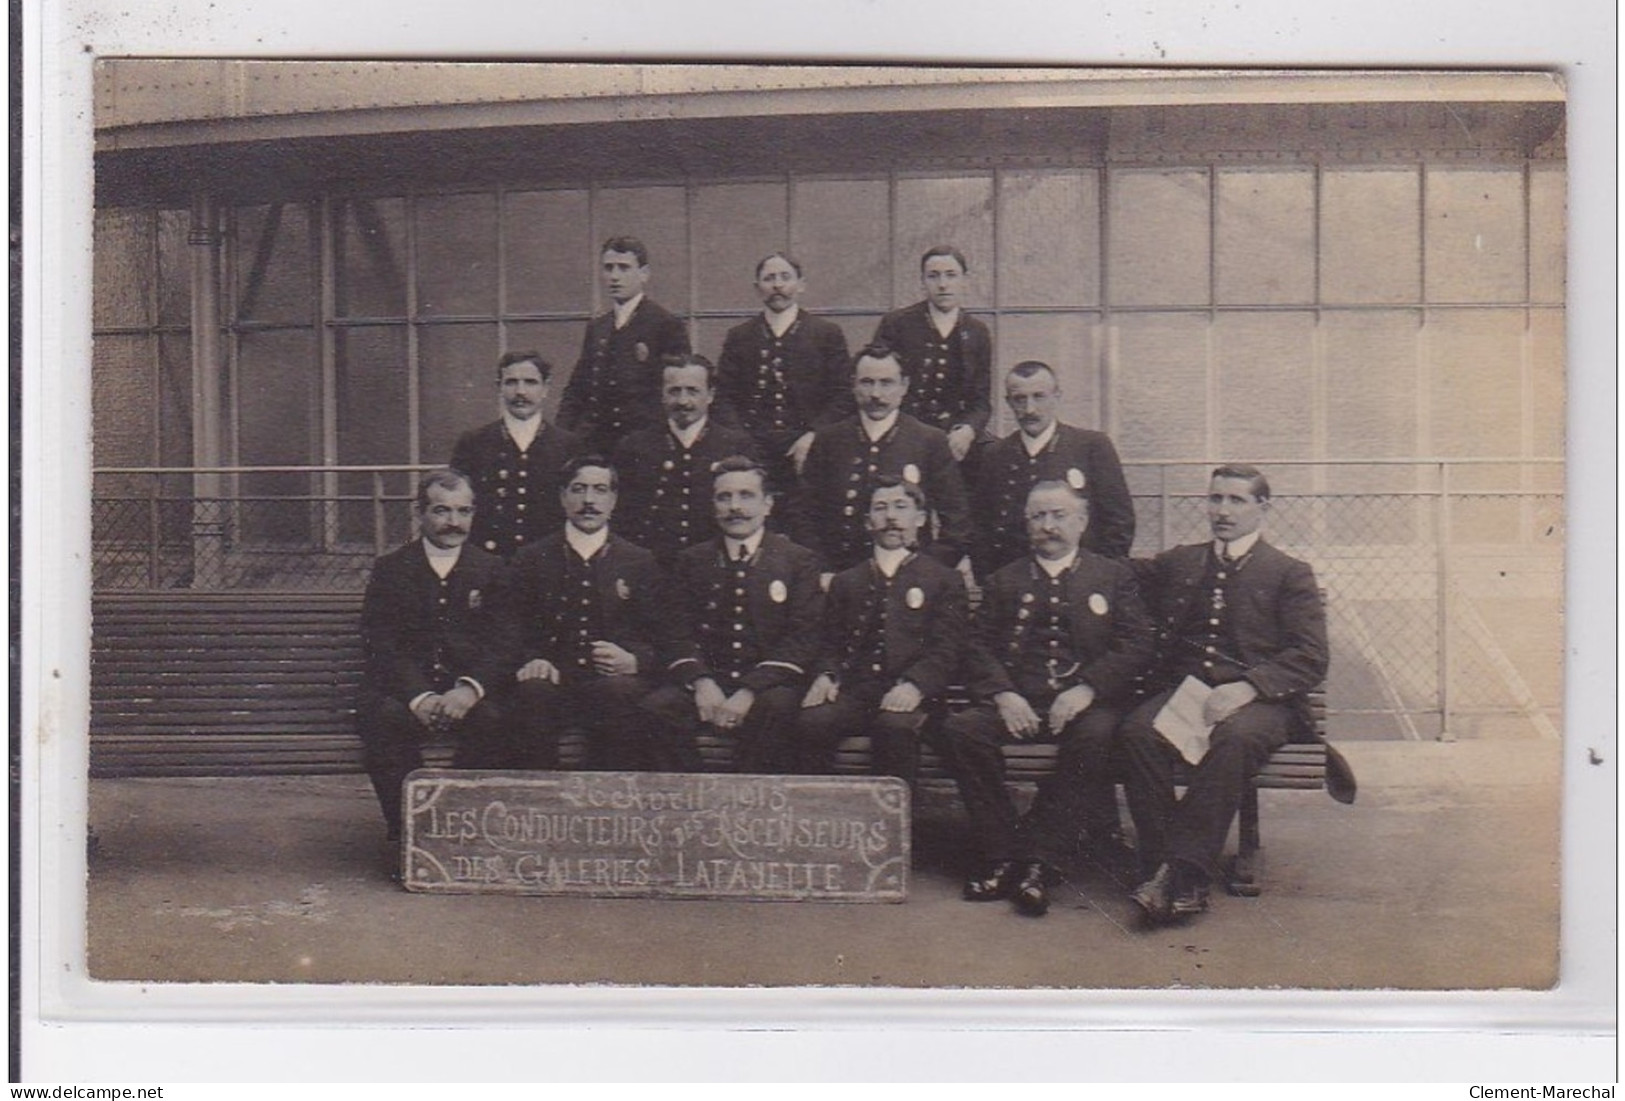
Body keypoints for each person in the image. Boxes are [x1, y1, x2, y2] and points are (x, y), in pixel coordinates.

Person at [1119, 464, 1329, 925]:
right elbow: (1119, 576)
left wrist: (1249, 686)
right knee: (1137, 732)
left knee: (1232, 740)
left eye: (1236, 500)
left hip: (1262, 703)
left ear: (1262, 508)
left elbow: (1311, 656)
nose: (1223, 511)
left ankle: (1182, 874)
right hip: (1188, 694)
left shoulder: (1289, 574)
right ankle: (1166, 867)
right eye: (1215, 499)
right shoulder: (1182, 561)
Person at [933, 481, 1155, 917]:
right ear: (1027, 523)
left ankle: (1039, 861)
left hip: (1085, 704)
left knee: (1096, 736)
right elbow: (975, 646)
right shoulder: (1004, 580)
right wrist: (1003, 694)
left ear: (1082, 522)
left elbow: (1137, 643)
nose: (1048, 526)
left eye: (1058, 516)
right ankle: (1000, 853)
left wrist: (1088, 687)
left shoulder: (1111, 577)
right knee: (961, 730)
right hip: (1021, 702)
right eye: (1039, 517)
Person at [355, 469, 518, 838]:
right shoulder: (392, 569)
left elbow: (505, 640)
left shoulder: (492, 569)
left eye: (463, 512)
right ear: (420, 513)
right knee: (385, 720)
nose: (453, 522)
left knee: (494, 721)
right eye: (442, 511)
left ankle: (463, 826)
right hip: (405, 691)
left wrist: (469, 689)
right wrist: (419, 695)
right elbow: (380, 641)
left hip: (465, 692)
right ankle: (409, 833)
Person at [505, 455, 693, 772]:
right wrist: (531, 658)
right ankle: (540, 807)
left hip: (611, 689)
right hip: (555, 685)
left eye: (599, 490)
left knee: (619, 692)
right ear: (563, 496)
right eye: (578, 489)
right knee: (532, 692)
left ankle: (607, 807)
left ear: (614, 499)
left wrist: (635, 660)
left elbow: (666, 636)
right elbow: (510, 628)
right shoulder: (531, 559)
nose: (589, 500)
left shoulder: (639, 561)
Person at [642, 456, 825, 773]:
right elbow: (675, 632)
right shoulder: (692, 560)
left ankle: (748, 806)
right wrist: (701, 682)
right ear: (713, 505)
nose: (734, 507)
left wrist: (749, 690)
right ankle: (692, 798)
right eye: (723, 497)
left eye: (746, 496)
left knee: (778, 708)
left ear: (768, 504)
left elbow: (803, 637)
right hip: (709, 682)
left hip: (767, 687)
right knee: (657, 709)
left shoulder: (798, 561)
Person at [796, 478, 968, 783]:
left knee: (894, 728)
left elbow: (947, 648)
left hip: (916, 696)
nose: (890, 517)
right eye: (880, 508)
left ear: (920, 519)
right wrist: (826, 675)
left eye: (901, 507)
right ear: (867, 522)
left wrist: (915, 685)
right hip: (858, 693)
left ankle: (896, 827)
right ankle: (825, 823)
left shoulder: (944, 579)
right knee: (813, 722)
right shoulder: (847, 580)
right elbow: (830, 644)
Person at [791, 342, 973, 572]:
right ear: (853, 386)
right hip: (840, 579)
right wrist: (824, 572)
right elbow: (802, 515)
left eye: (886, 383)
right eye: (867, 383)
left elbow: (958, 523)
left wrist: (926, 572)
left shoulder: (929, 440)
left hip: (911, 583)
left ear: (904, 386)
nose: (876, 394)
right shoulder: (829, 440)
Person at [972, 361, 1135, 577]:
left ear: (1057, 396)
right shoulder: (995, 455)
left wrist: (1100, 578)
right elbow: (981, 528)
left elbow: (1119, 523)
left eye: (1039, 396)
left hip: (1080, 581)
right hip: (1013, 587)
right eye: (1020, 399)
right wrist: (992, 581)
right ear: (1008, 402)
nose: (1030, 409)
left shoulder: (1091, 447)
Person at [714, 252, 851, 493]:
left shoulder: (826, 334)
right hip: (752, 448)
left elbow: (843, 395)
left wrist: (814, 435)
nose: (777, 285)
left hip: (808, 447)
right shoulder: (740, 337)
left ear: (801, 285)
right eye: (769, 278)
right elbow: (723, 396)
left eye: (785, 277)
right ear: (757, 288)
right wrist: (741, 440)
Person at [610, 355, 758, 568]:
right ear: (661, 395)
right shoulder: (634, 447)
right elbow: (621, 517)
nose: (683, 401)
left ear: (710, 395)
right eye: (674, 391)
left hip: (715, 570)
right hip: (652, 570)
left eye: (693, 391)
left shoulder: (736, 445)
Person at [557, 236, 691, 453]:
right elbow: (577, 389)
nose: (615, 277)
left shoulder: (665, 324)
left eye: (624, 268)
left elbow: (676, 392)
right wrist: (563, 436)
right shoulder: (598, 327)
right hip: (595, 444)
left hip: (644, 446)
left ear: (644, 274)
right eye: (608, 268)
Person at [448, 351, 582, 559]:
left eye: (530, 382)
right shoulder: (473, 443)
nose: (520, 391)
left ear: (545, 388)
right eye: (511, 383)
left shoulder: (569, 445)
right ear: (499, 387)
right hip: (489, 561)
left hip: (549, 565)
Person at [871, 245, 992, 462]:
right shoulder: (897, 324)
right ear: (922, 282)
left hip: (955, 437)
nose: (943, 284)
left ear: (965, 280)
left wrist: (968, 430)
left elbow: (981, 402)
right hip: (903, 432)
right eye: (933, 276)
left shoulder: (977, 332)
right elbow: (876, 383)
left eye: (951, 275)